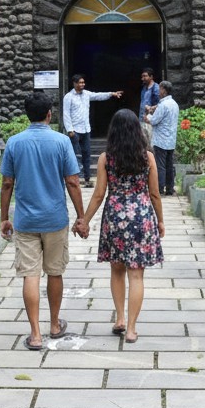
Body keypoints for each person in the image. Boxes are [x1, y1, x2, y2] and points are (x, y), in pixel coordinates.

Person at [0, 92, 87, 351]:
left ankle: (35, 335)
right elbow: (72, 181)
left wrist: (4, 218)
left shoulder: (14, 143)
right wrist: (81, 217)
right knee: (55, 272)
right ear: (50, 114)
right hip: (55, 219)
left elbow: (7, 183)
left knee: (30, 275)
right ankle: (54, 325)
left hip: (26, 221)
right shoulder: (61, 142)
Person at [79, 108, 164, 344]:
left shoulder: (106, 157)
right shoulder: (147, 157)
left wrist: (84, 220)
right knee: (136, 275)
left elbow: (98, 195)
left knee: (116, 270)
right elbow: (155, 194)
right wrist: (160, 220)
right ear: (137, 131)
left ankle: (120, 318)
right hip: (141, 216)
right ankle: (132, 329)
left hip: (115, 216)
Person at [61, 74, 122, 187]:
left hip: (85, 129)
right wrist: (69, 130)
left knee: (86, 154)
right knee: (74, 155)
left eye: (83, 82)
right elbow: (66, 114)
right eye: (80, 82)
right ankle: (75, 177)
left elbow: (98, 96)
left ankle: (87, 178)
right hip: (75, 130)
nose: (82, 84)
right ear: (74, 83)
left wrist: (111, 94)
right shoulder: (68, 97)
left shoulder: (86, 94)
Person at [145, 80, 179, 196]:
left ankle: (159, 188)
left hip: (161, 140)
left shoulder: (163, 105)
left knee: (160, 165)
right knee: (169, 165)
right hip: (171, 139)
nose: (158, 91)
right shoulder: (174, 104)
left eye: (160, 89)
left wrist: (147, 116)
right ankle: (170, 188)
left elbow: (154, 121)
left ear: (164, 90)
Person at [138, 68, 160, 148]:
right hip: (142, 118)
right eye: (142, 76)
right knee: (143, 142)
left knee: (150, 143)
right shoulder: (144, 88)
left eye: (145, 76)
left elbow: (160, 104)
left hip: (151, 120)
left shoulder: (156, 88)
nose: (142, 78)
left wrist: (151, 108)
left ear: (151, 77)